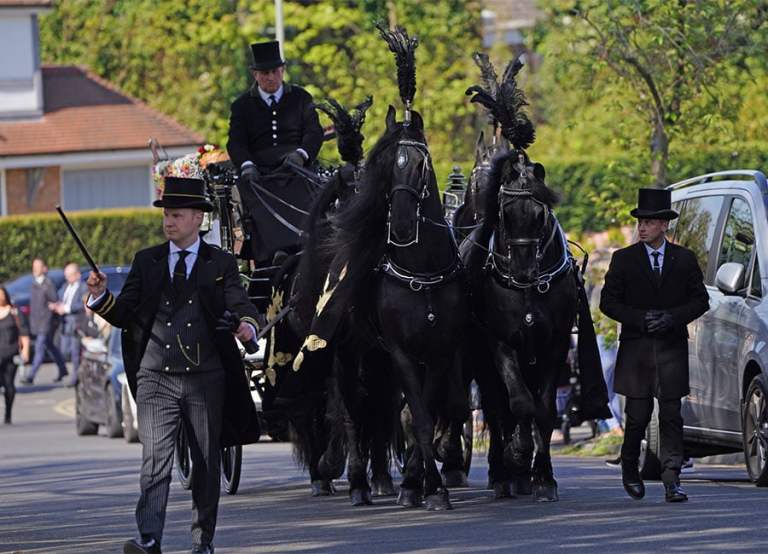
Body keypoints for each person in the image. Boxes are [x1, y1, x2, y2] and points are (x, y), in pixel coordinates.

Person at [86, 176, 261, 554]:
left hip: (204, 379)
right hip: (154, 378)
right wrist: (100, 297)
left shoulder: (221, 263)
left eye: (176, 215)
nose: (169, 222)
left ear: (197, 218)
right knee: (155, 462)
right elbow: (123, 315)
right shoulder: (145, 261)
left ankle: (203, 541)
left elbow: (240, 304)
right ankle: (149, 539)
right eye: (166, 215)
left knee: (205, 463)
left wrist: (247, 326)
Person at [600, 188, 709, 503]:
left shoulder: (684, 259)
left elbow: (700, 301)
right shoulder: (623, 259)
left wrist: (672, 318)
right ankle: (630, 468)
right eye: (640, 222)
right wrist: (640, 318)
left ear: (664, 225)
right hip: (636, 351)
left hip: (671, 349)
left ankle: (672, 478)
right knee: (637, 416)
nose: (642, 227)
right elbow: (608, 303)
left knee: (672, 415)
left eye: (649, 222)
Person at [227, 40, 324, 265]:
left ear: (283, 70)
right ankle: (272, 253)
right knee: (256, 196)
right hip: (259, 174)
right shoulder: (241, 106)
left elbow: (314, 132)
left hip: (297, 170)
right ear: (255, 74)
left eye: (274, 71)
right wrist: (247, 166)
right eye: (264, 73)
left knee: (307, 191)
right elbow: (236, 142)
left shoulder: (301, 98)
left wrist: (301, 154)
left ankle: (304, 248)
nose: (270, 77)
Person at [22, 257, 68, 384]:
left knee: (39, 348)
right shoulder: (33, 284)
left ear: (43, 268)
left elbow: (54, 301)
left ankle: (31, 376)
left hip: (45, 322)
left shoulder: (48, 284)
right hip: (36, 322)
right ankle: (63, 369)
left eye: (37, 266)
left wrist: (52, 306)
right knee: (50, 346)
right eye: (34, 266)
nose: (35, 269)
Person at [50, 262, 88, 386]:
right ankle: (70, 371)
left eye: (70, 275)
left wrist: (66, 308)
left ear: (77, 275)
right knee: (64, 350)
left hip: (76, 323)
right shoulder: (65, 286)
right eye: (66, 275)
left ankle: (75, 379)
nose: (67, 278)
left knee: (75, 352)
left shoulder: (83, 287)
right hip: (64, 324)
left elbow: (83, 304)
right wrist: (56, 305)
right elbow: (59, 298)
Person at [0, 286, 30, 424]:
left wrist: (25, 350)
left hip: (11, 352)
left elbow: (23, 332)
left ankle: (8, 414)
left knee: (9, 384)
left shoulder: (15, 312)